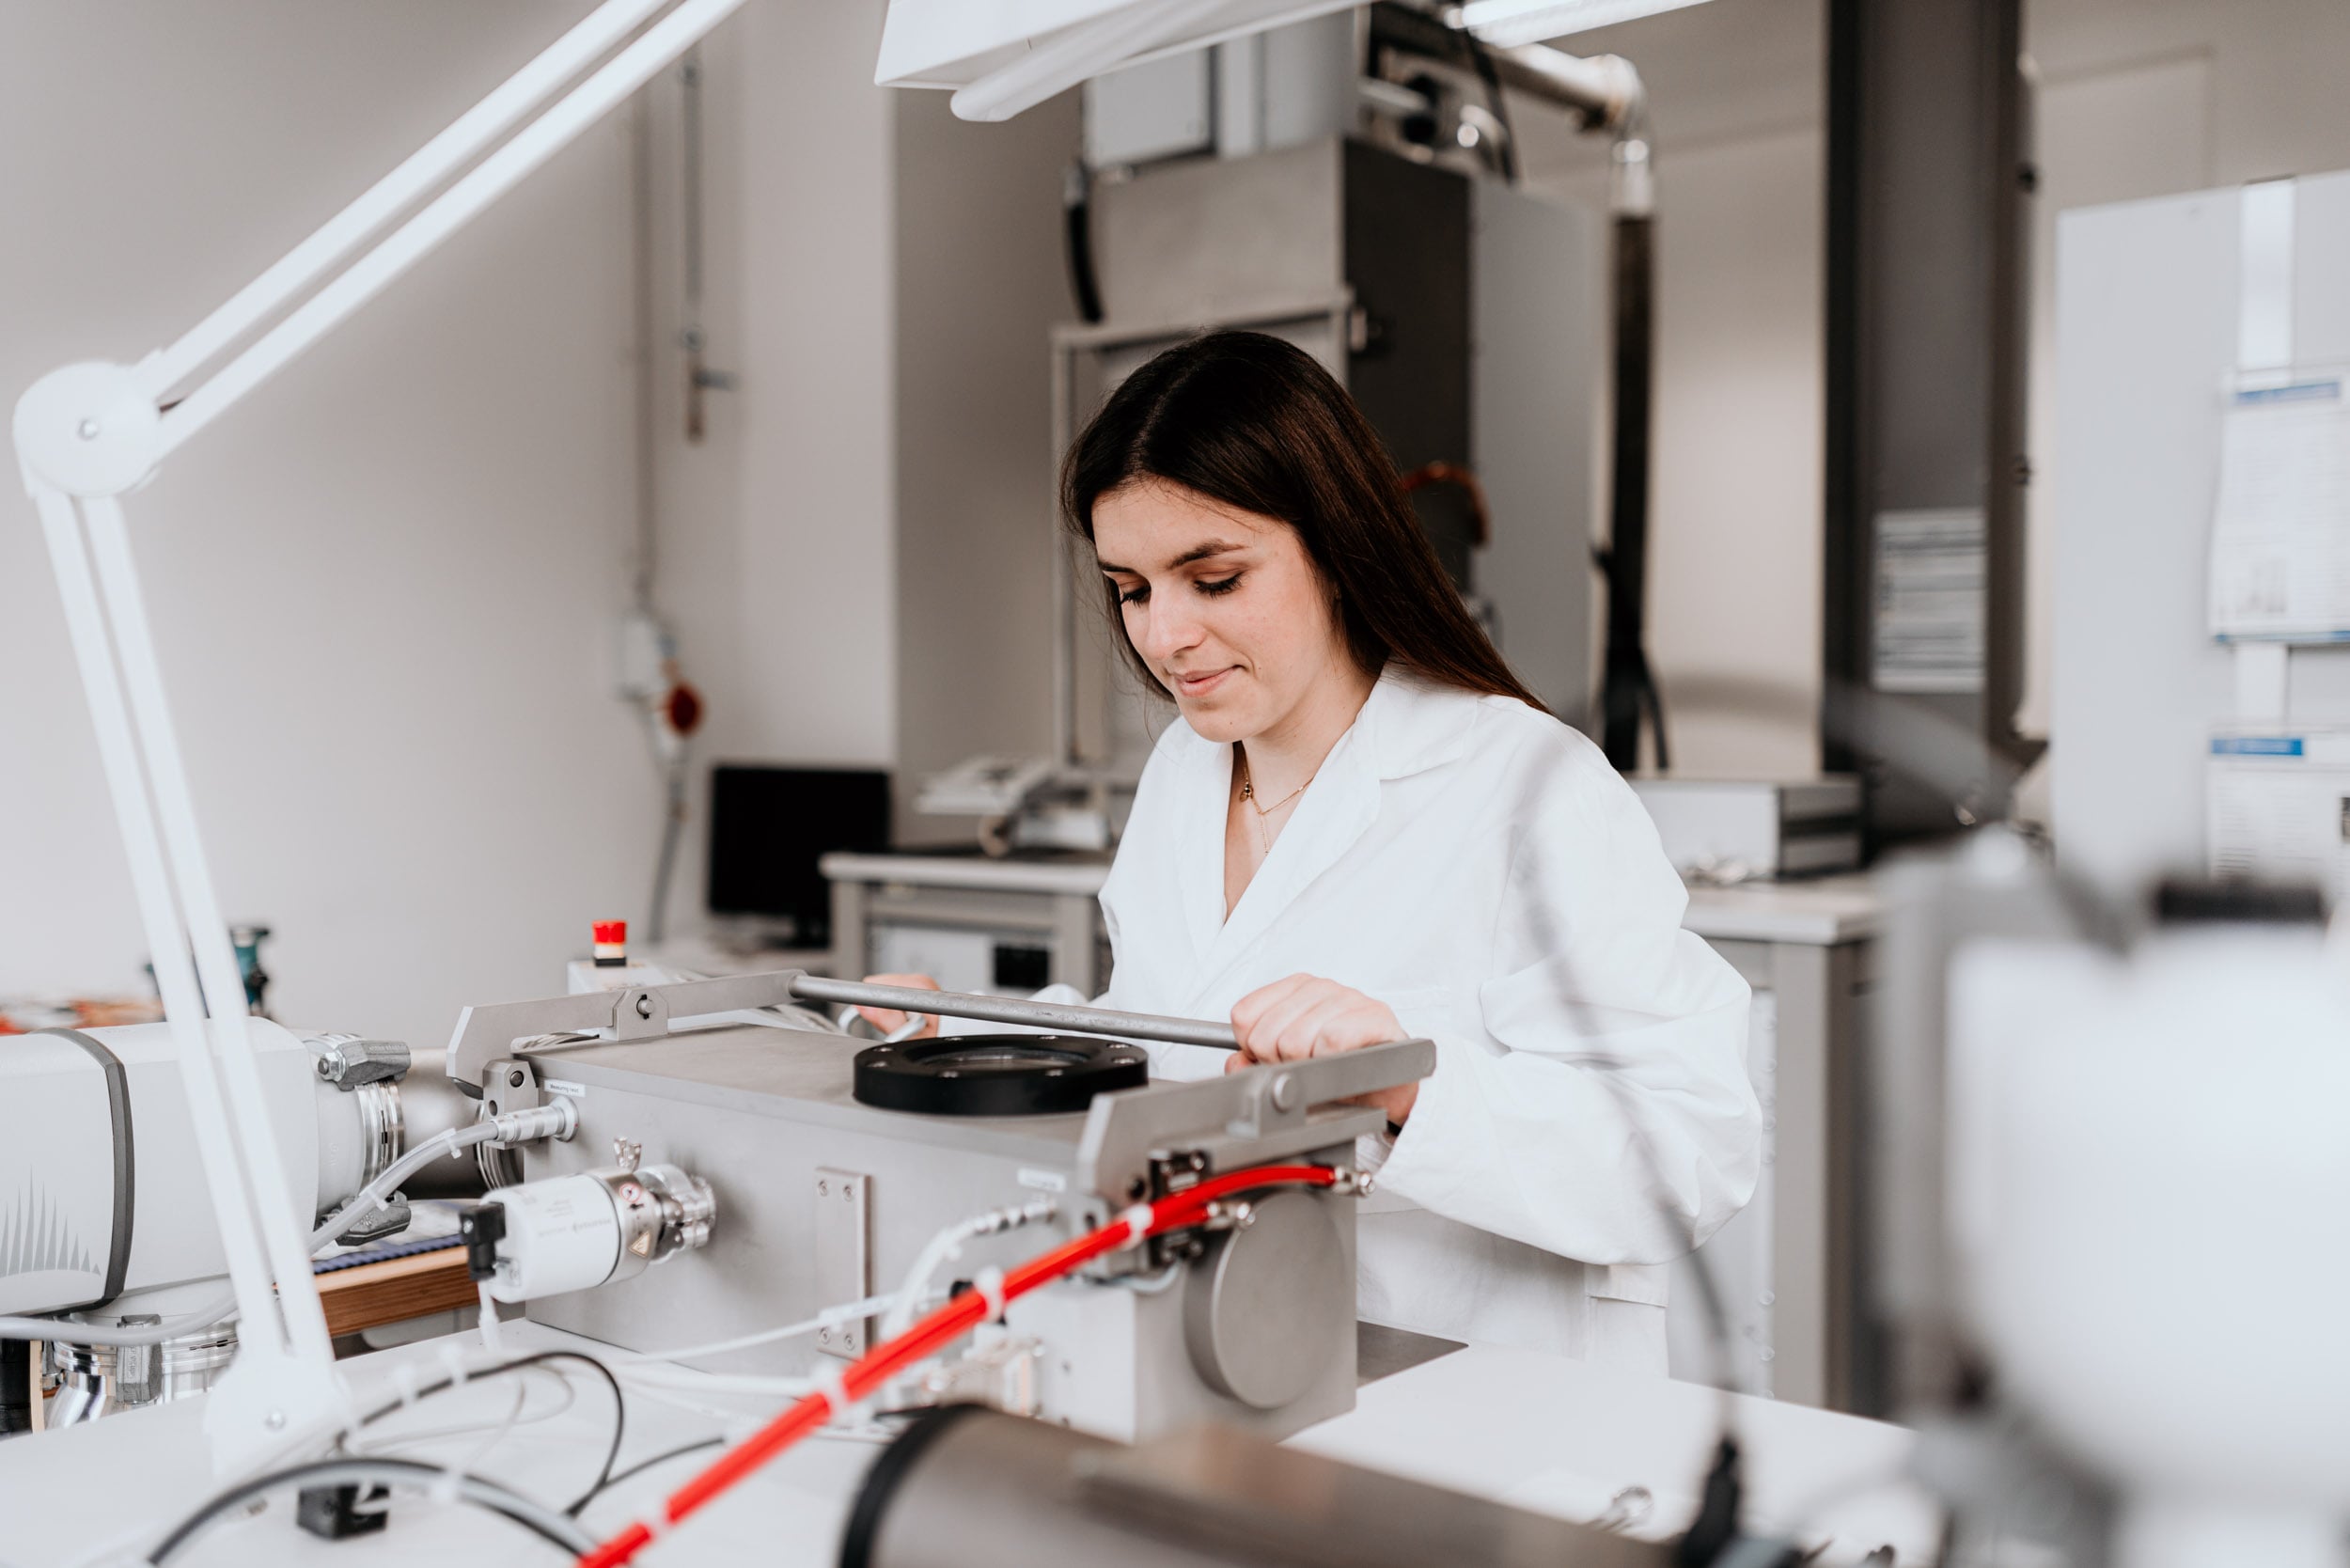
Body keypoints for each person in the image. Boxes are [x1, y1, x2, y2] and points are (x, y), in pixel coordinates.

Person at [862, 330, 1757, 1370]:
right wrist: (978, 1036)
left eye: (1214, 578)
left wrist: (1410, 1088)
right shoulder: (1185, 777)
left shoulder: (1523, 786)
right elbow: (1172, 1037)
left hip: (1467, 1388)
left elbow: (1689, 1150)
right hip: (1224, 1357)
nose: (1163, 636)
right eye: (1134, 589)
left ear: (1334, 547)